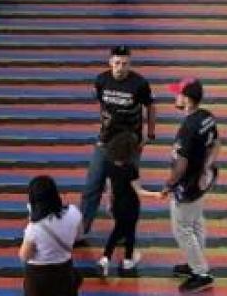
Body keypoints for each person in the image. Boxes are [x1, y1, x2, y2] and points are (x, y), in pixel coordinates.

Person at [80, 45, 156, 238]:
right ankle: (82, 229)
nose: (121, 67)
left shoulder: (139, 84)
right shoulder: (101, 80)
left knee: (123, 190)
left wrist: (151, 132)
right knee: (92, 186)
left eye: (125, 64)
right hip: (105, 142)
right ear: (110, 63)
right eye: (117, 63)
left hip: (129, 146)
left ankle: (121, 225)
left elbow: (150, 106)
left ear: (130, 64)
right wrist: (103, 128)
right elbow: (102, 106)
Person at [150, 78, 218, 293]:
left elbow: (181, 165)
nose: (175, 97)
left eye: (178, 93)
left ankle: (201, 274)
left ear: (187, 100)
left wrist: (168, 186)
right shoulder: (207, 117)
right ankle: (195, 263)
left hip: (187, 186)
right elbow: (216, 143)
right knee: (196, 222)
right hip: (202, 181)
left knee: (182, 230)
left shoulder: (188, 128)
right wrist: (206, 168)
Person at [19, 175, 82, 296]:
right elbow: (79, 236)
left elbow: (24, 256)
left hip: (39, 277)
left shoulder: (34, 228)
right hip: (64, 272)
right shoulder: (74, 212)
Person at [98, 130, 145, 276]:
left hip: (117, 204)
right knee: (130, 232)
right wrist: (157, 194)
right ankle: (127, 260)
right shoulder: (131, 169)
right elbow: (139, 191)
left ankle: (105, 258)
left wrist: (109, 203)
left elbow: (109, 186)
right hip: (131, 205)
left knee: (117, 230)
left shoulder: (109, 165)